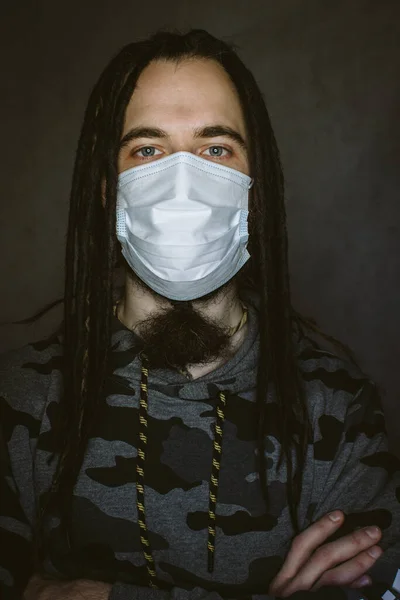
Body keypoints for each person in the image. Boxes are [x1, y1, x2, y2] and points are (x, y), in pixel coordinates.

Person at [1, 28, 400, 600]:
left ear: (253, 189)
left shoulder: (331, 402)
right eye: (148, 149)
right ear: (106, 188)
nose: (182, 184)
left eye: (215, 149)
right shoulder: (20, 398)